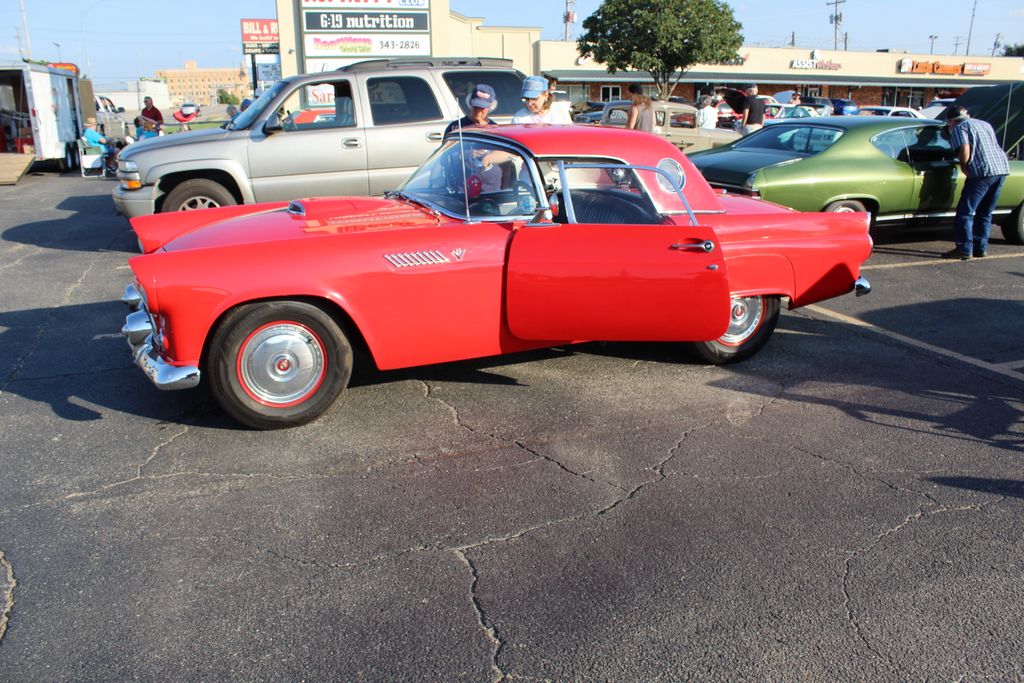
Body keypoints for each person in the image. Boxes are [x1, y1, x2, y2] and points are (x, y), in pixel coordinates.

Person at [942, 105, 1011, 259]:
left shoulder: (960, 128)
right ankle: (981, 248)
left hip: (982, 172)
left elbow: (965, 148)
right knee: (985, 212)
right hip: (1001, 169)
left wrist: (964, 166)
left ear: (952, 121)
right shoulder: (985, 124)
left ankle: (964, 249)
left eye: (949, 123)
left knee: (965, 212)